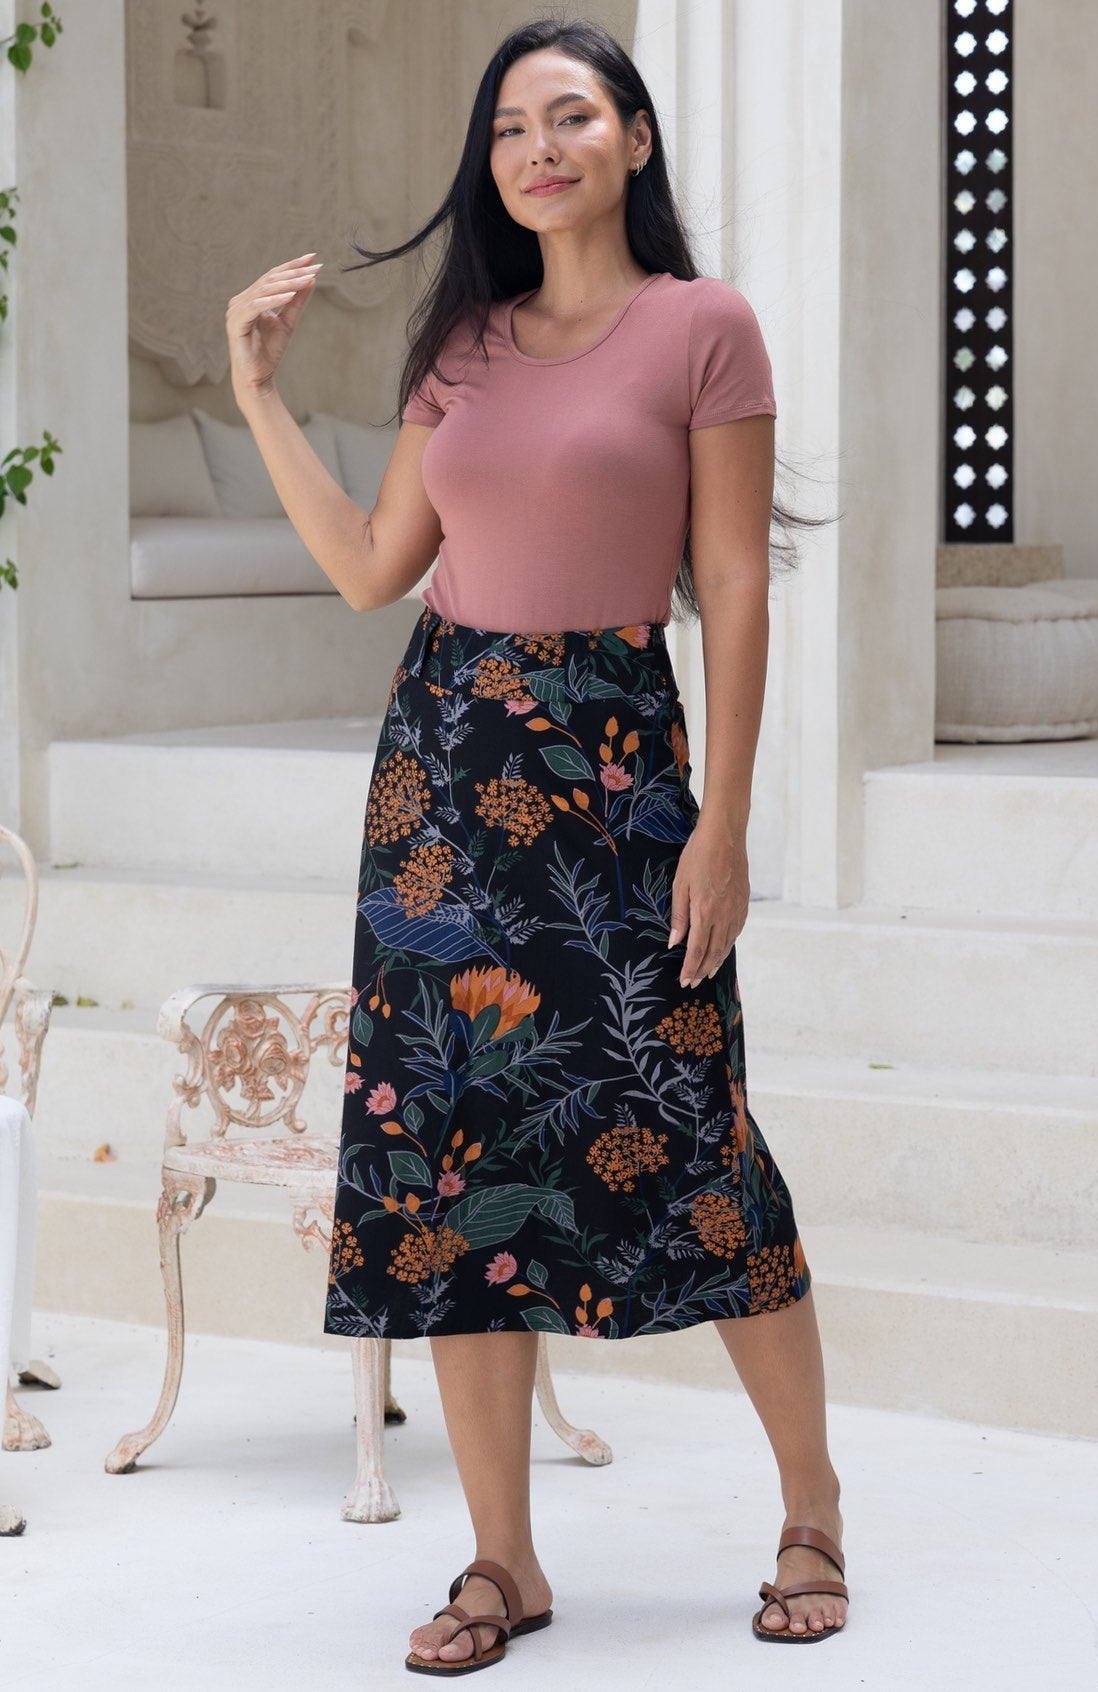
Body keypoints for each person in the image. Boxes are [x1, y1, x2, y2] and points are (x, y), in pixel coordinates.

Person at [225, 14, 847, 1674]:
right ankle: (503, 1561)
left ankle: (812, 1508)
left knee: (699, 1146)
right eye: (512, 126)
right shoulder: (465, 347)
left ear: (635, 141)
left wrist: (722, 821)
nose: (539, 146)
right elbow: (373, 566)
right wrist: (258, 397)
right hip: (440, 782)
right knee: (449, 1172)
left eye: (573, 115)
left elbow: (731, 582)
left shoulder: (702, 328)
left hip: (619, 776)